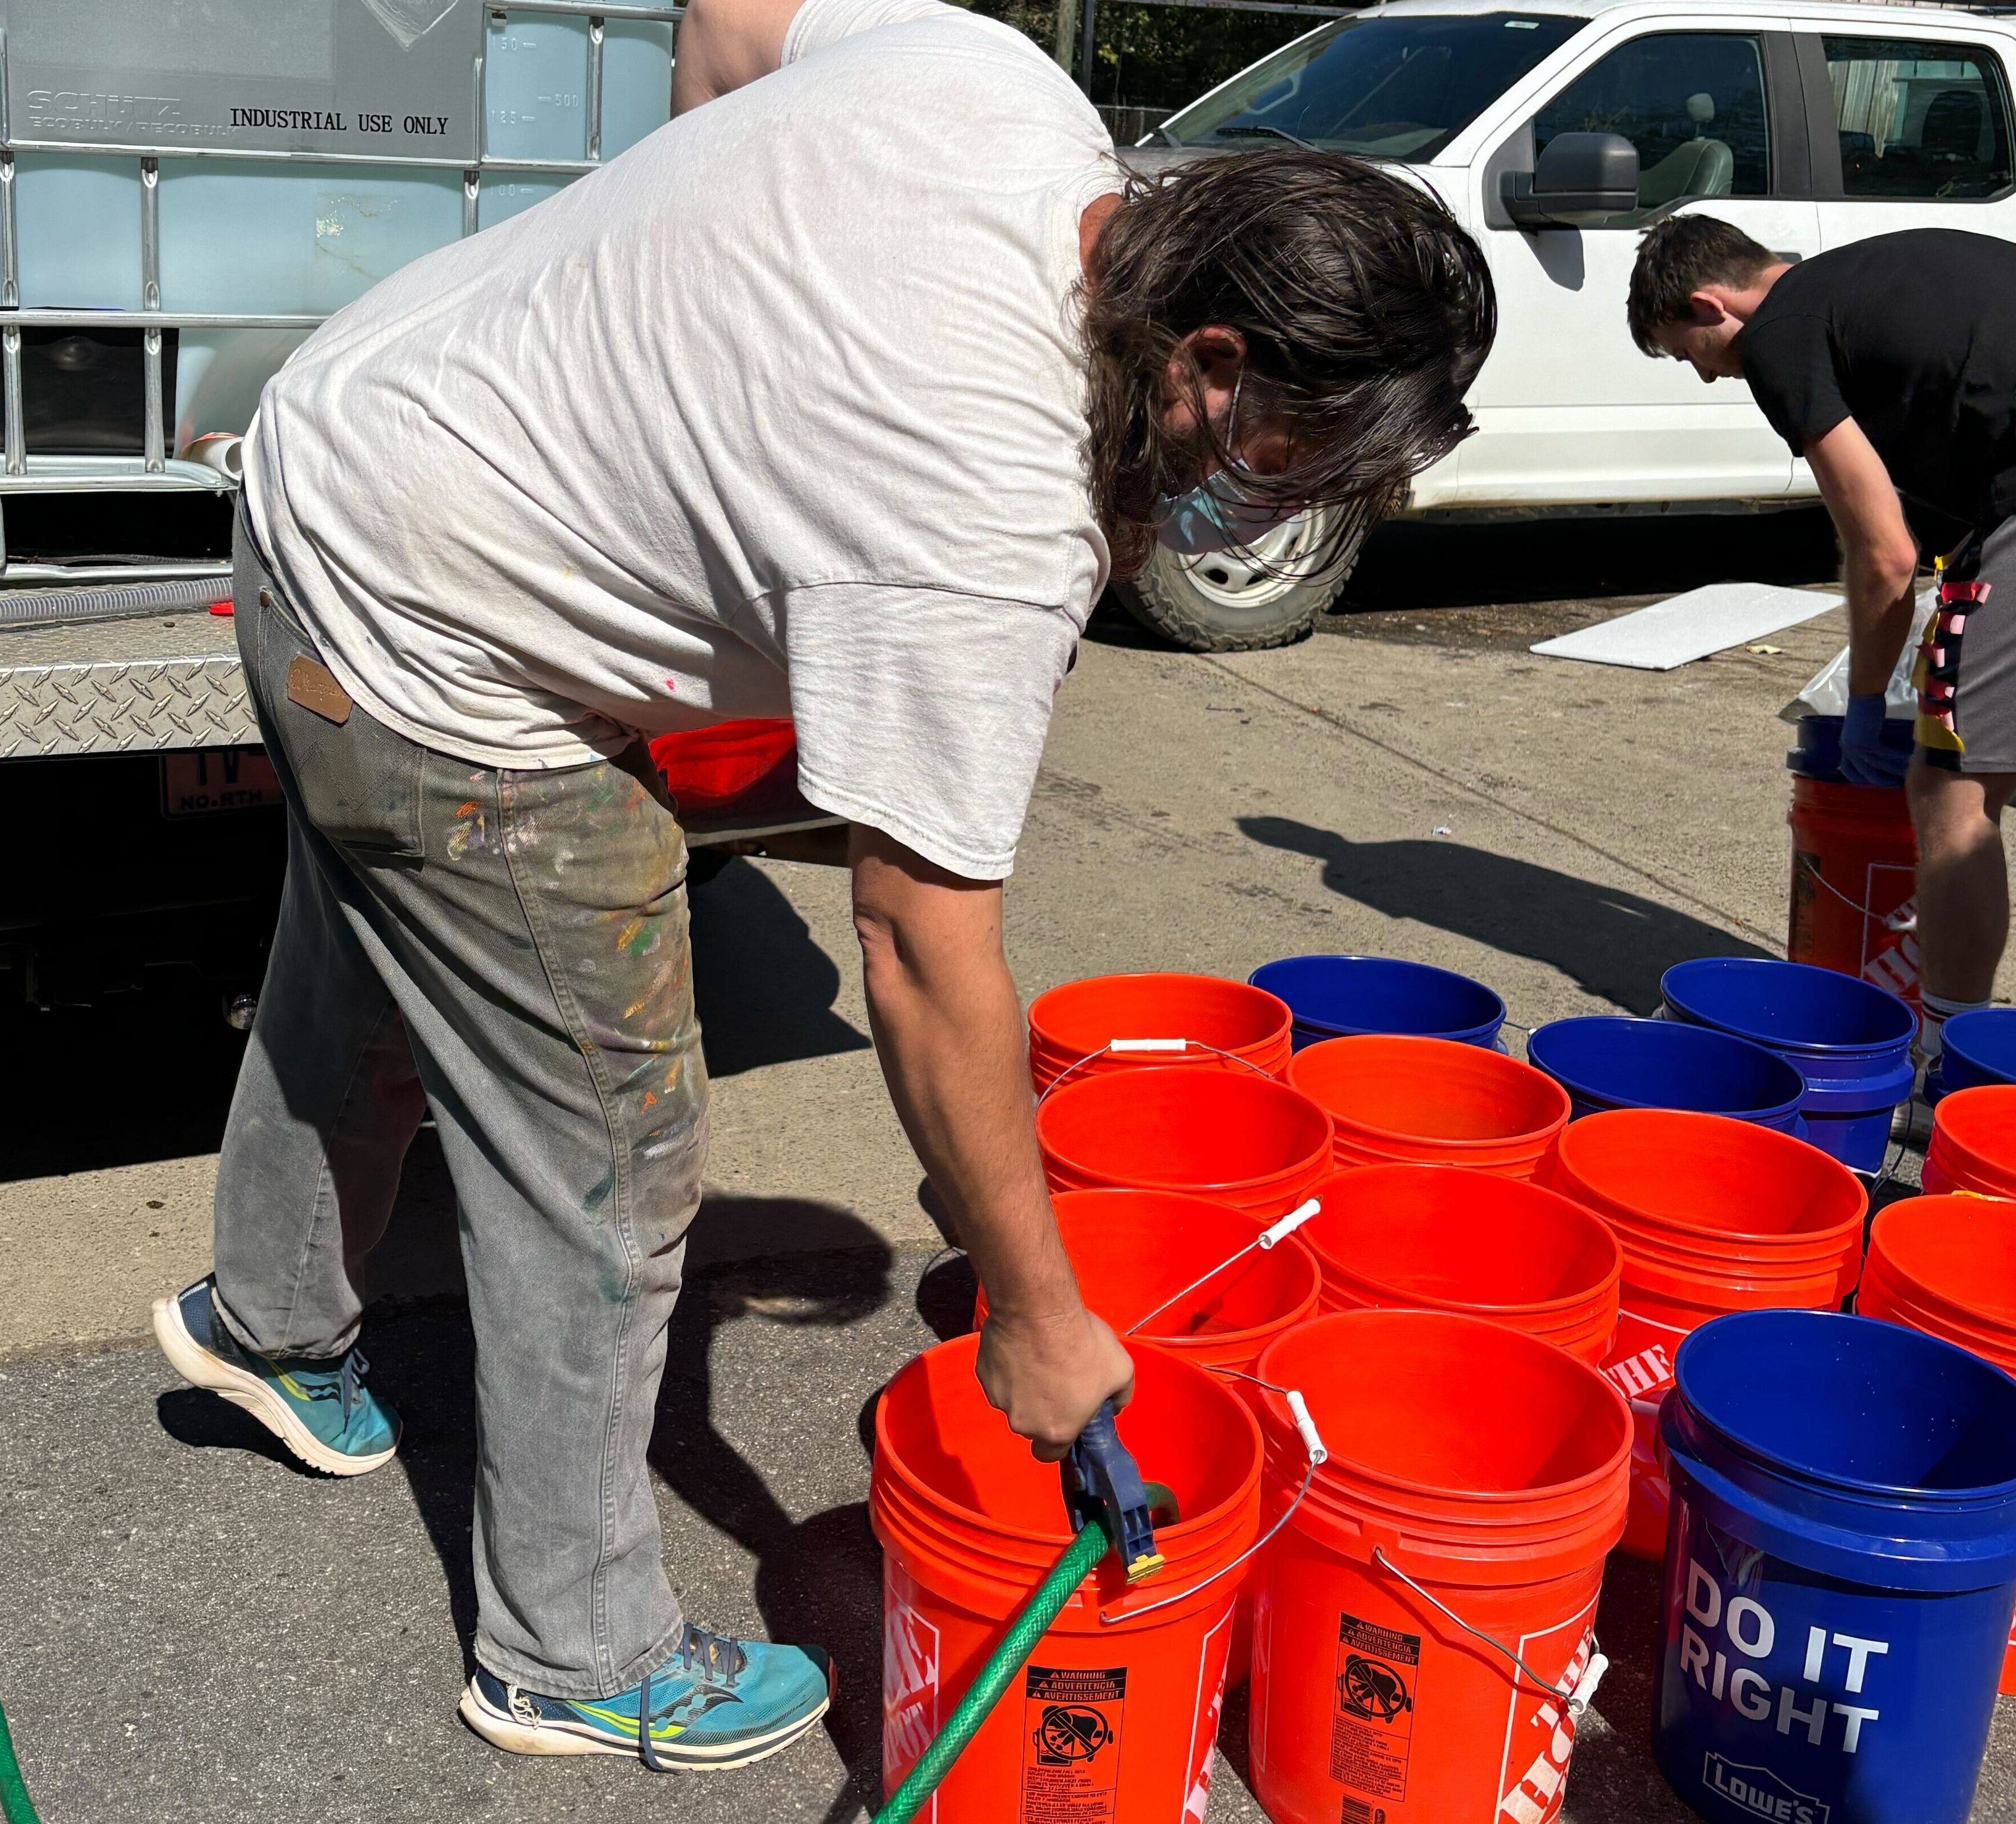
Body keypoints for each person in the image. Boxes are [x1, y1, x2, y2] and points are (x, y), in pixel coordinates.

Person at [150, 0, 1495, 1779]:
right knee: (605, 1147)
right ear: (1215, 357)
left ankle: (268, 1319)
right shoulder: (981, 511)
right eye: (1298, 462)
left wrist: (671, 305)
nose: (1301, 508)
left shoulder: (995, 89)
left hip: (340, 449)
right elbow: (923, 948)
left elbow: (729, 14)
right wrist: (1035, 1312)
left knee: (385, 948)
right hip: (444, 635)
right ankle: (569, 1646)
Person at [1630, 217, 2016, 1054]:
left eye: (1689, 351)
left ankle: (1941, 1056)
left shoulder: (1785, 334)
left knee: (1953, 794)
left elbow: (1883, 553)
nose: (1708, 376)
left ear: (1713, 304)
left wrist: (1865, 697)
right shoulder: (1873, 281)